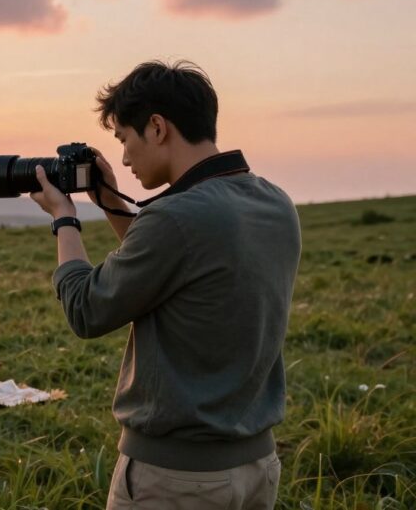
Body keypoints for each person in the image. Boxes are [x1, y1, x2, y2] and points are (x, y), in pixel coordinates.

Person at [30, 60, 301, 510]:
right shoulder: (274, 201)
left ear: (156, 127)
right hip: (256, 467)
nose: (123, 158)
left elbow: (86, 310)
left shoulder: (175, 218)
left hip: (176, 480)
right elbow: (175, 262)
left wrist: (65, 219)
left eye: (124, 139)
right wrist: (112, 201)